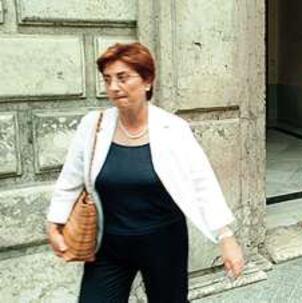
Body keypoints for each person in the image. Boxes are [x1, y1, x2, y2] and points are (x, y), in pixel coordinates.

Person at [47, 42, 244, 302]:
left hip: (164, 243)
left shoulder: (173, 128)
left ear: (147, 81)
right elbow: (70, 180)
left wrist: (226, 237)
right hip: (109, 245)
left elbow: (202, 182)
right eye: (107, 79)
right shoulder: (93, 126)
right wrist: (55, 222)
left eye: (123, 77)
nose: (114, 87)